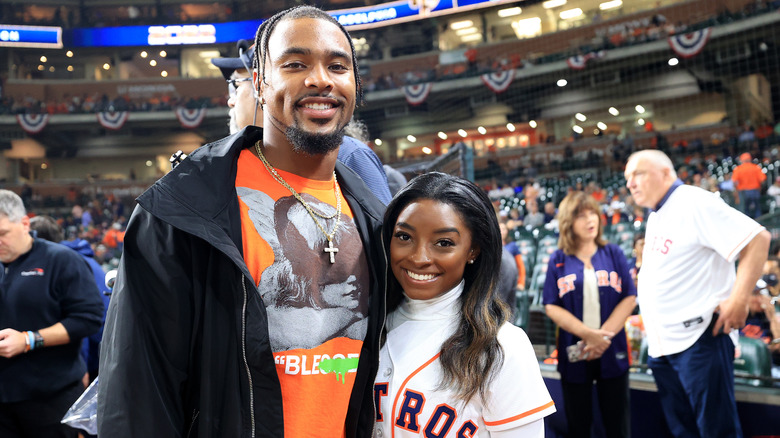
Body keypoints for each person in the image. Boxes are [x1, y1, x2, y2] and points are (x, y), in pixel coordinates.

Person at [99, 7, 387, 437]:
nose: (320, 79)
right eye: (295, 64)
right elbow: (137, 392)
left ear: (354, 86)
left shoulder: (374, 214)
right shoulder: (183, 207)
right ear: (259, 82)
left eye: (337, 66)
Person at [375, 172, 556, 437]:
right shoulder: (367, 325)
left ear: (473, 250)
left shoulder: (504, 346)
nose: (419, 257)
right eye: (404, 237)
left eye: (444, 243)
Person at [625, 150, 770, 438]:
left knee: (717, 431)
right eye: (627, 177)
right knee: (684, 431)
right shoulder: (657, 213)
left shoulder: (693, 201)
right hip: (664, 344)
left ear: (667, 173)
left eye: (638, 173)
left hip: (699, 340)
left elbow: (758, 239)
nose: (630, 183)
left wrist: (739, 299)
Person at [212, 39, 393, 205]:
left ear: (260, 88)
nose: (231, 100)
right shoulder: (250, 165)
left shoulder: (349, 156)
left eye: (235, 86)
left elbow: (382, 237)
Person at [0, 190, 104, 438]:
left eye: (3, 234)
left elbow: (88, 319)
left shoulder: (61, 260)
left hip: (49, 398)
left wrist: (28, 340)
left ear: (25, 224)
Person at [542, 191, 636, 438]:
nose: (590, 220)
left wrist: (602, 338)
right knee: (578, 424)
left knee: (618, 424)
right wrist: (587, 335)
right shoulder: (558, 259)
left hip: (611, 347)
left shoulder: (613, 252)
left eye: (593, 213)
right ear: (568, 223)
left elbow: (629, 296)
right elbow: (551, 304)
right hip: (575, 349)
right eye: (581, 216)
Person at [29, 215, 111, 383]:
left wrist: (81, 369)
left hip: (94, 357)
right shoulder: (80, 258)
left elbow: (81, 321)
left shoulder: (67, 264)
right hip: (106, 350)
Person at [732, 152, 766, 218]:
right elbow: (763, 180)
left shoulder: (738, 169)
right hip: (755, 191)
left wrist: (736, 194)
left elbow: (734, 182)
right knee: (757, 209)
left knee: (745, 210)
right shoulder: (756, 167)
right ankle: (758, 225)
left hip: (743, 192)